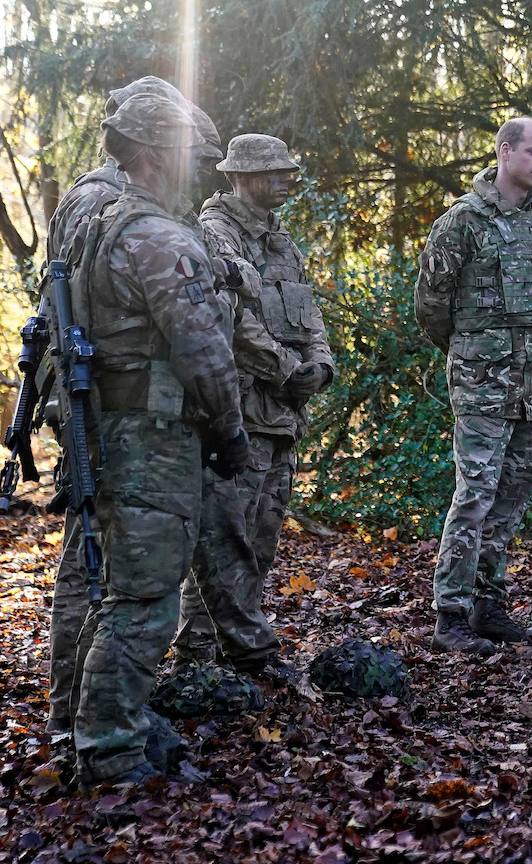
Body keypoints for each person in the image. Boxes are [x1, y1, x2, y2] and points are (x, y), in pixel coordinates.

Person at [70, 92, 248, 785]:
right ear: (149, 153)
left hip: (120, 430)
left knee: (126, 593)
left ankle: (105, 730)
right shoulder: (157, 238)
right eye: (184, 154)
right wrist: (231, 432)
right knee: (147, 600)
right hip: (151, 437)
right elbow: (204, 351)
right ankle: (111, 753)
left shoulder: (104, 227)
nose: (194, 169)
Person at [44, 76, 205, 734]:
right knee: (107, 572)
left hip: (97, 402)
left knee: (101, 564)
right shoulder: (106, 204)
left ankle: (79, 716)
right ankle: (89, 726)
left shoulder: (100, 200)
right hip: (115, 409)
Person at [174, 133, 328, 673]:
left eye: (289, 169)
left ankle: (236, 648)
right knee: (225, 538)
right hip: (239, 409)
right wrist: (288, 371)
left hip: (282, 415)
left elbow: (310, 316)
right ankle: (197, 653)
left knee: (261, 536)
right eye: (275, 170)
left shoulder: (283, 242)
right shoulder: (216, 235)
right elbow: (232, 322)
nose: (288, 178)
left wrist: (321, 364)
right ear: (240, 176)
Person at [414, 117, 532, 653]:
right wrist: (471, 353)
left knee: (512, 495)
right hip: (482, 382)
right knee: (474, 495)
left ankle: (486, 601)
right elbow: (431, 304)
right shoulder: (463, 223)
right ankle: (449, 612)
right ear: (504, 152)